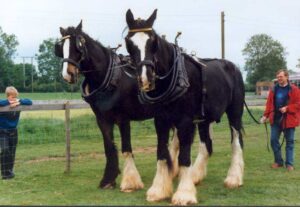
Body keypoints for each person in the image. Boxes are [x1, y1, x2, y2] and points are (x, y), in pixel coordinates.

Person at [261, 69, 300, 171]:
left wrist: (287, 108)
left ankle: (289, 164)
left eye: (281, 77)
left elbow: (298, 104)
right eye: (278, 77)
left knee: (290, 142)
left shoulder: (294, 89)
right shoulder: (274, 89)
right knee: (274, 140)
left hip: (289, 119)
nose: (279, 79)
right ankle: (278, 162)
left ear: (286, 77)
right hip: (276, 119)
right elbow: (269, 104)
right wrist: (265, 116)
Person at [0, 86, 32, 179]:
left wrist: (19, 101)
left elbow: (29, 101)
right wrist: (8, 103)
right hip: (2, 131)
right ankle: (5, 173)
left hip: (14, 131)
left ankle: (8, 173)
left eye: (15, 97)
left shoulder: (18, 103)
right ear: (8, 96)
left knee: (12, 152)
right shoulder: (3, 104)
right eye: (12, 97)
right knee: (5, 150)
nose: (14, 99)